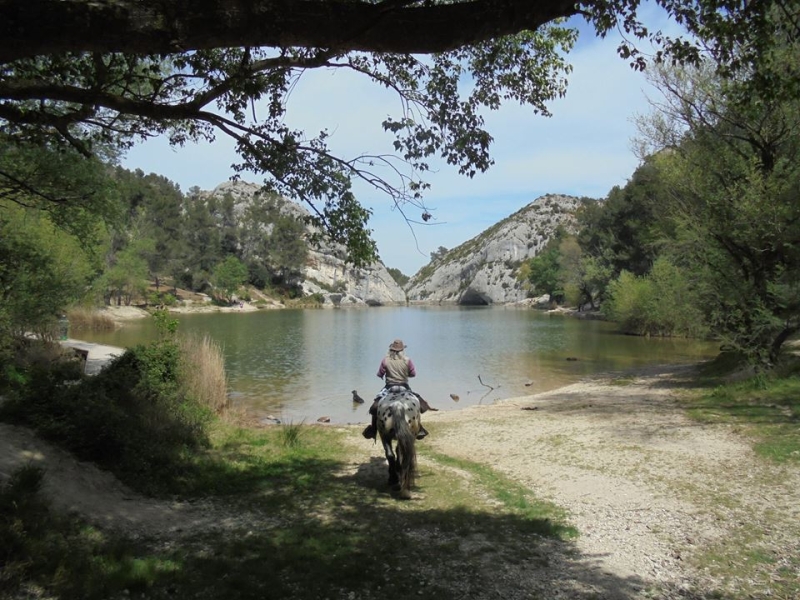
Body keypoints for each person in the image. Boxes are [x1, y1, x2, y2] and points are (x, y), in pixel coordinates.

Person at [362, 338, 431, 440]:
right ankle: (419, 428)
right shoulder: (407, 360)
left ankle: (373, 429)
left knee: (374, 407)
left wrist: (385, 373)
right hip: (405, 388)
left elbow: (380, 374)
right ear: (402, 350)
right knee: (421, 405)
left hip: (389, 388)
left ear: (391, 350)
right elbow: (413, 374)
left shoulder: (385, 360)